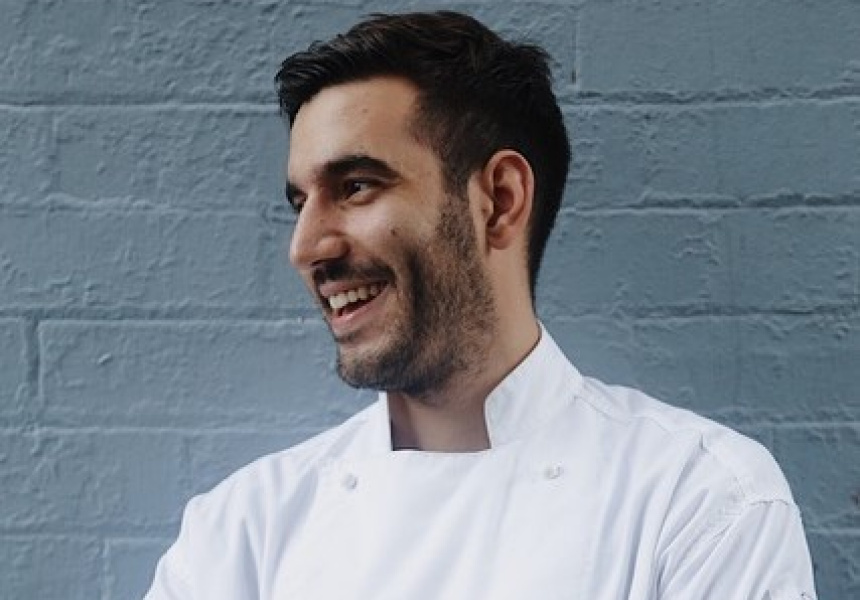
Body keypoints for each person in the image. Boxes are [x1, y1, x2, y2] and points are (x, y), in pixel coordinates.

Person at [144, 11, 817, 599]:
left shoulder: (700, 501)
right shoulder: (242, 532)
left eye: (356, 186)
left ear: (499, 200)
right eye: (301, 202)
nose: (306, 247)